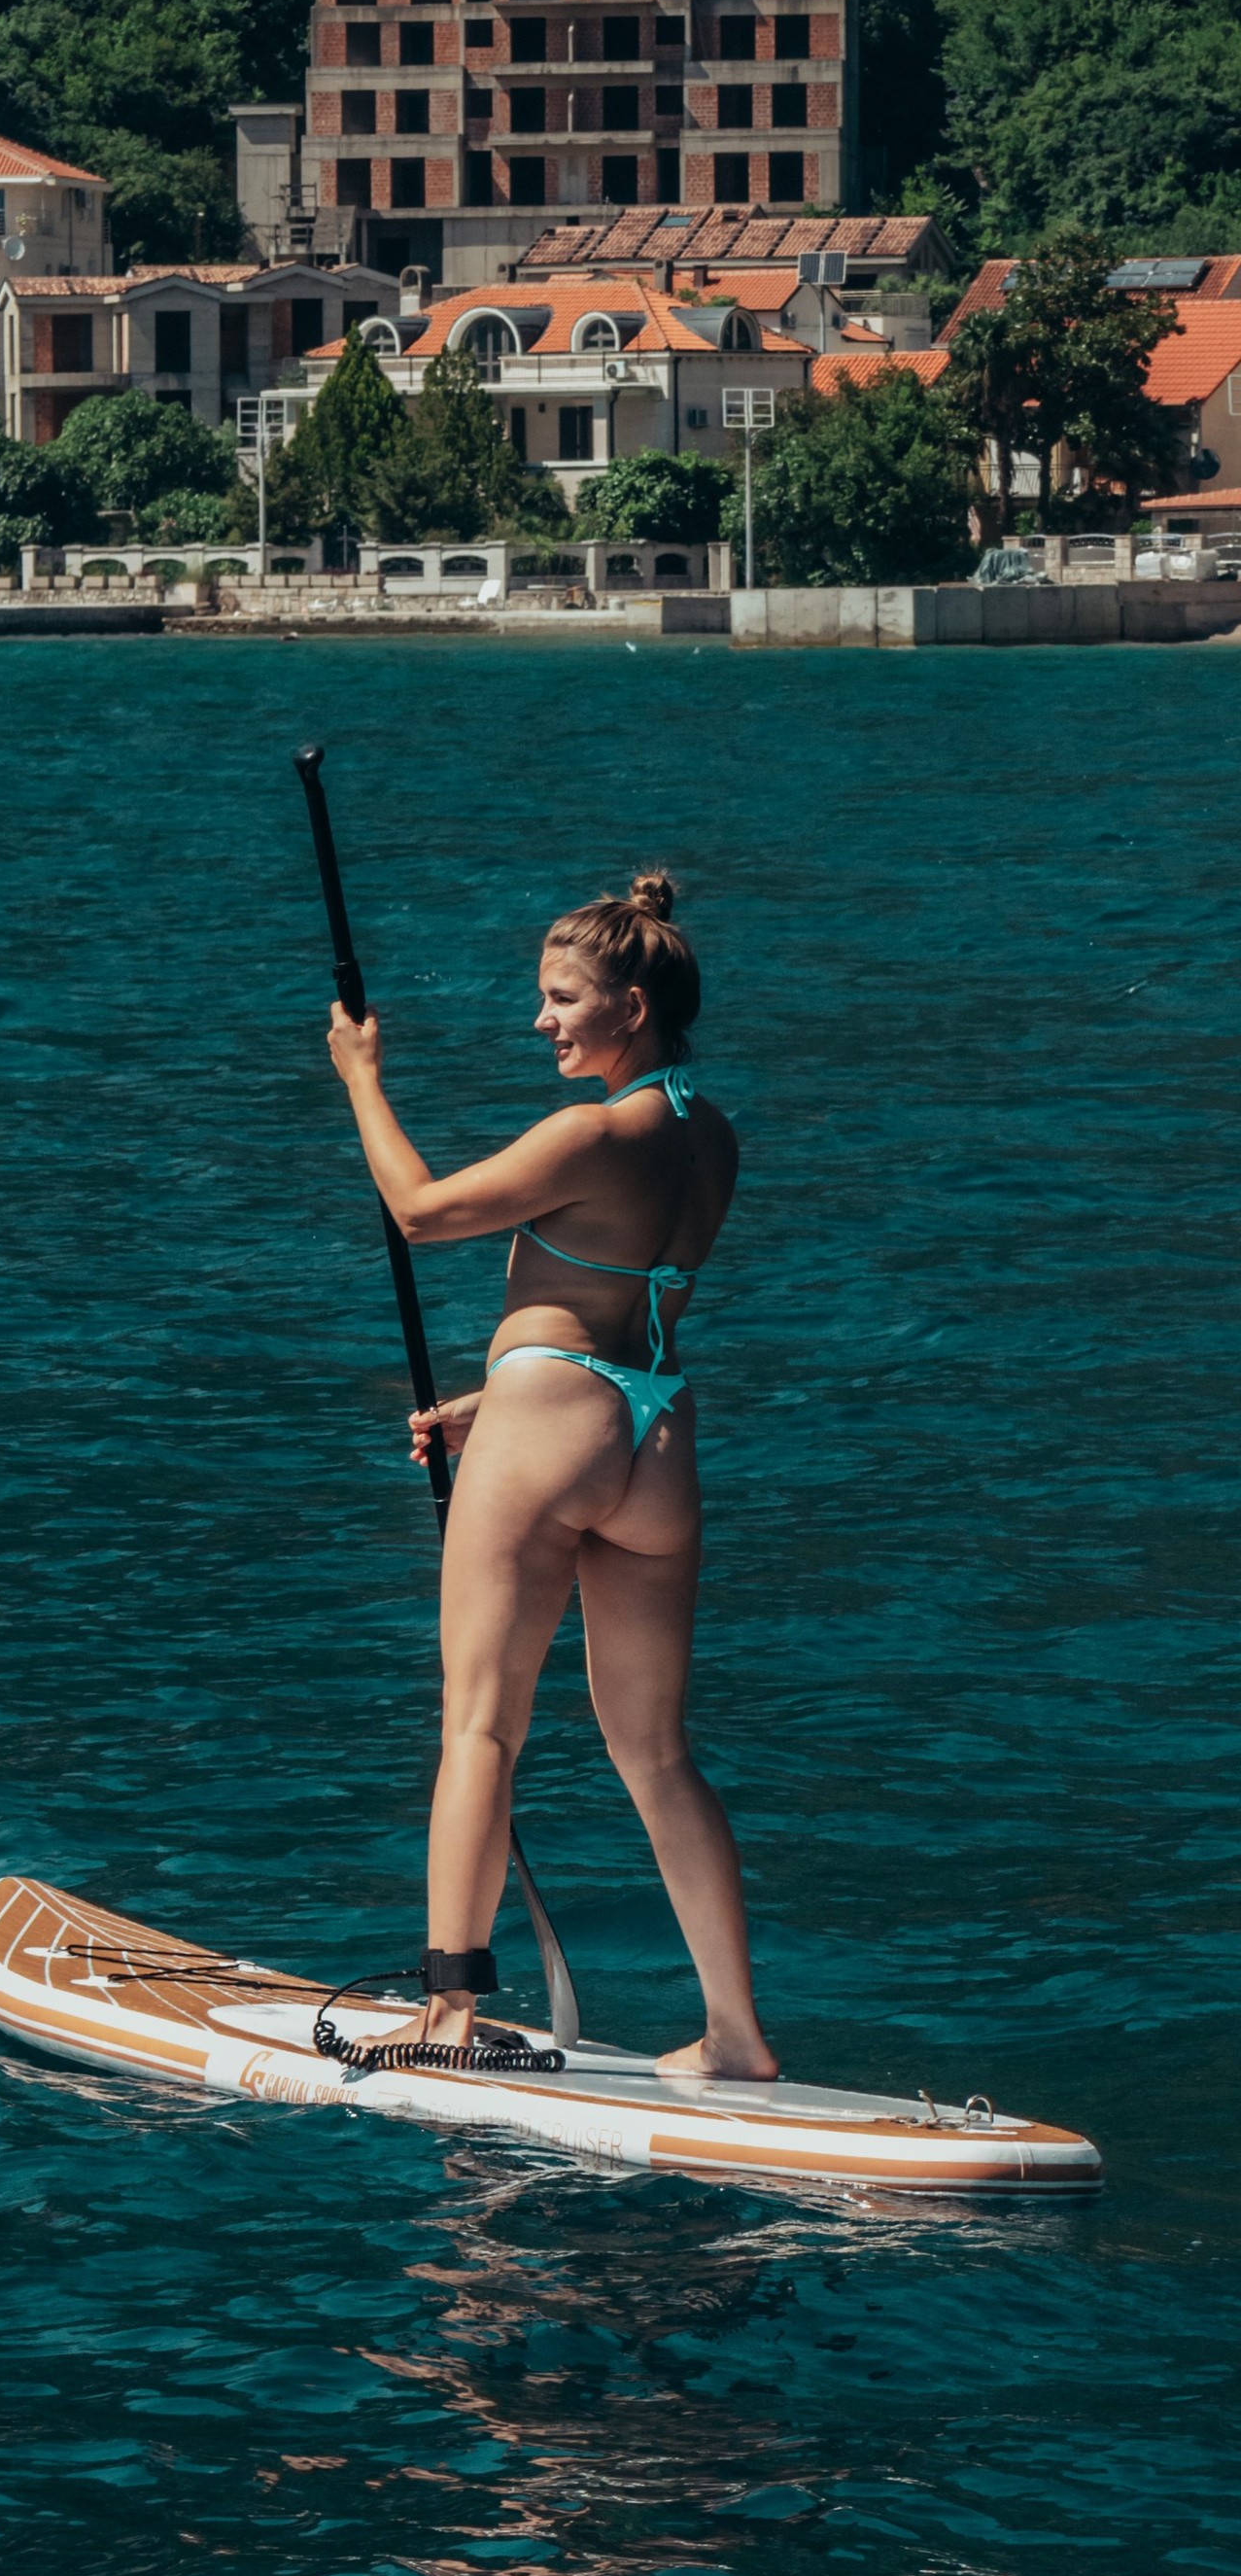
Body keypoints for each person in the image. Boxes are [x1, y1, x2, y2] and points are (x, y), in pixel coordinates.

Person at [324, 871, 777, 2084]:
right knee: (656, 1753)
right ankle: (737, 2036)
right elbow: (620, 1305)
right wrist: (491, 1398)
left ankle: (446, 2017)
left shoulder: (590, 1132)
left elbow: (419, 1213)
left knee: (479, 1725)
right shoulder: (708, 1131)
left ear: (631, 1005)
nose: (542, 1021)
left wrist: (360, 1077)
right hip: (656, 1440)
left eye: (561, 999)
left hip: (552, 1434)